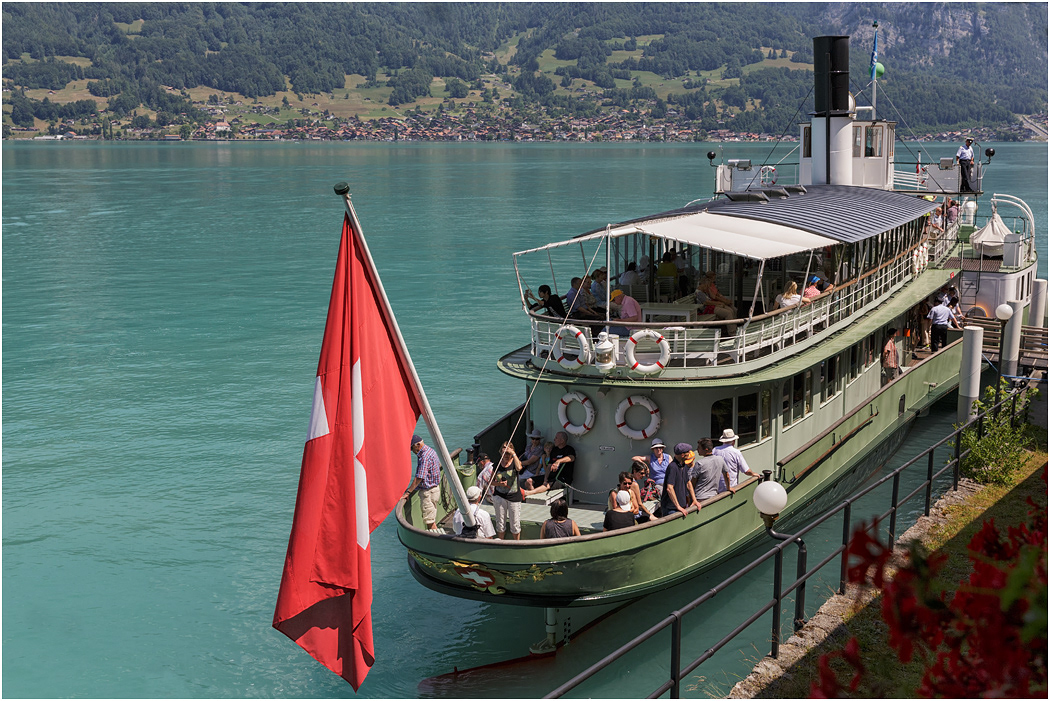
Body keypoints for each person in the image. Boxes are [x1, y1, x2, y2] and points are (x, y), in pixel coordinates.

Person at [403, 435, 442, 531]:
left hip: (428, 493)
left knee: (429, 521)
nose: (412, 451)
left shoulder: (424, 456)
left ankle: (435, 541)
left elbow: (419, 477)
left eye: (412, 448)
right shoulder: (430, 451)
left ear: (418, 444)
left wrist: (408, 492)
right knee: (431, 517)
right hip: (435, 490)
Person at [491, 441, 524, 540]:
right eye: (504, 453)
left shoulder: (514, 463)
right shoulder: (496, 465)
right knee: (500, 523)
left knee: (515, 524)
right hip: (500, 496)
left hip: (514, 497)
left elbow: (519, 468)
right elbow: (491, 482)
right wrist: (499, 484)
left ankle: (516, 544)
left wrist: (513, 453)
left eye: (508, 453)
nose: (506, 455)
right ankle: (501, 542)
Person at [659, 443, 698, 518]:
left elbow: (688, 483)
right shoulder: (673, 467)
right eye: (688, 452)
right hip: (671, 509)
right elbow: (669, 488)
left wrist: (694, 500)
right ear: (682, 455)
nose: (690, 454)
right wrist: (678, 506)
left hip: (681, 507)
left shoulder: (684, 465)